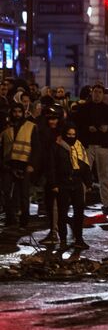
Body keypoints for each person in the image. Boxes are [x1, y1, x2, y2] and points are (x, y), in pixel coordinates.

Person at [75, 84, 108, 215]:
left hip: (102, 146)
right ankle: (80, 201)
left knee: (104, 176)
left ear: (103, 94)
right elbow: (79, 125)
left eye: (99, 92)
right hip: (88, 146)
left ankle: (107, 203)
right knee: (84, 174)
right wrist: (88, 128)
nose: (97, 94)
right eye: (95, 92)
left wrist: (107, 129)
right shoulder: (84, 108)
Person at [51, 124, 92, 249]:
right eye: (68, 135)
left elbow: (85, 166)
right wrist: (54, 184)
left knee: (79, 213)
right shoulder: (57, 147)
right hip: (63, 184)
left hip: (77, 183)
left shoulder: (79, 147)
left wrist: (88, 183)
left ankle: (78, 239)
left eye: (73, 135)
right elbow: (52, 166)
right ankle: (63, 240)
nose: (71, 137)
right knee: (62, 213)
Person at [1, 102, 40, 228]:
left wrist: (32, 164)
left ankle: (24, 220)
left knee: (24, 194)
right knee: (6, 192)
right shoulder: (7, 128)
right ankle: (10, 218)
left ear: (23, 113)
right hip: (8, 165)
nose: (17, 114)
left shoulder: (31, 126)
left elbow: (36, 147)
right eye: (14, 111)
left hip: (24, 164)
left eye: (19, 111)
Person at [38, 104, 65, 244]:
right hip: (49, 173)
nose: (52, 122)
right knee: (51, 205)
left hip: (58, 174)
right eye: (50, 119)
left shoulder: (62, 135)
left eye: (55, 119)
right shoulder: (44, 133)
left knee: (55, 205)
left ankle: (55, 234)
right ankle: (55, 232)